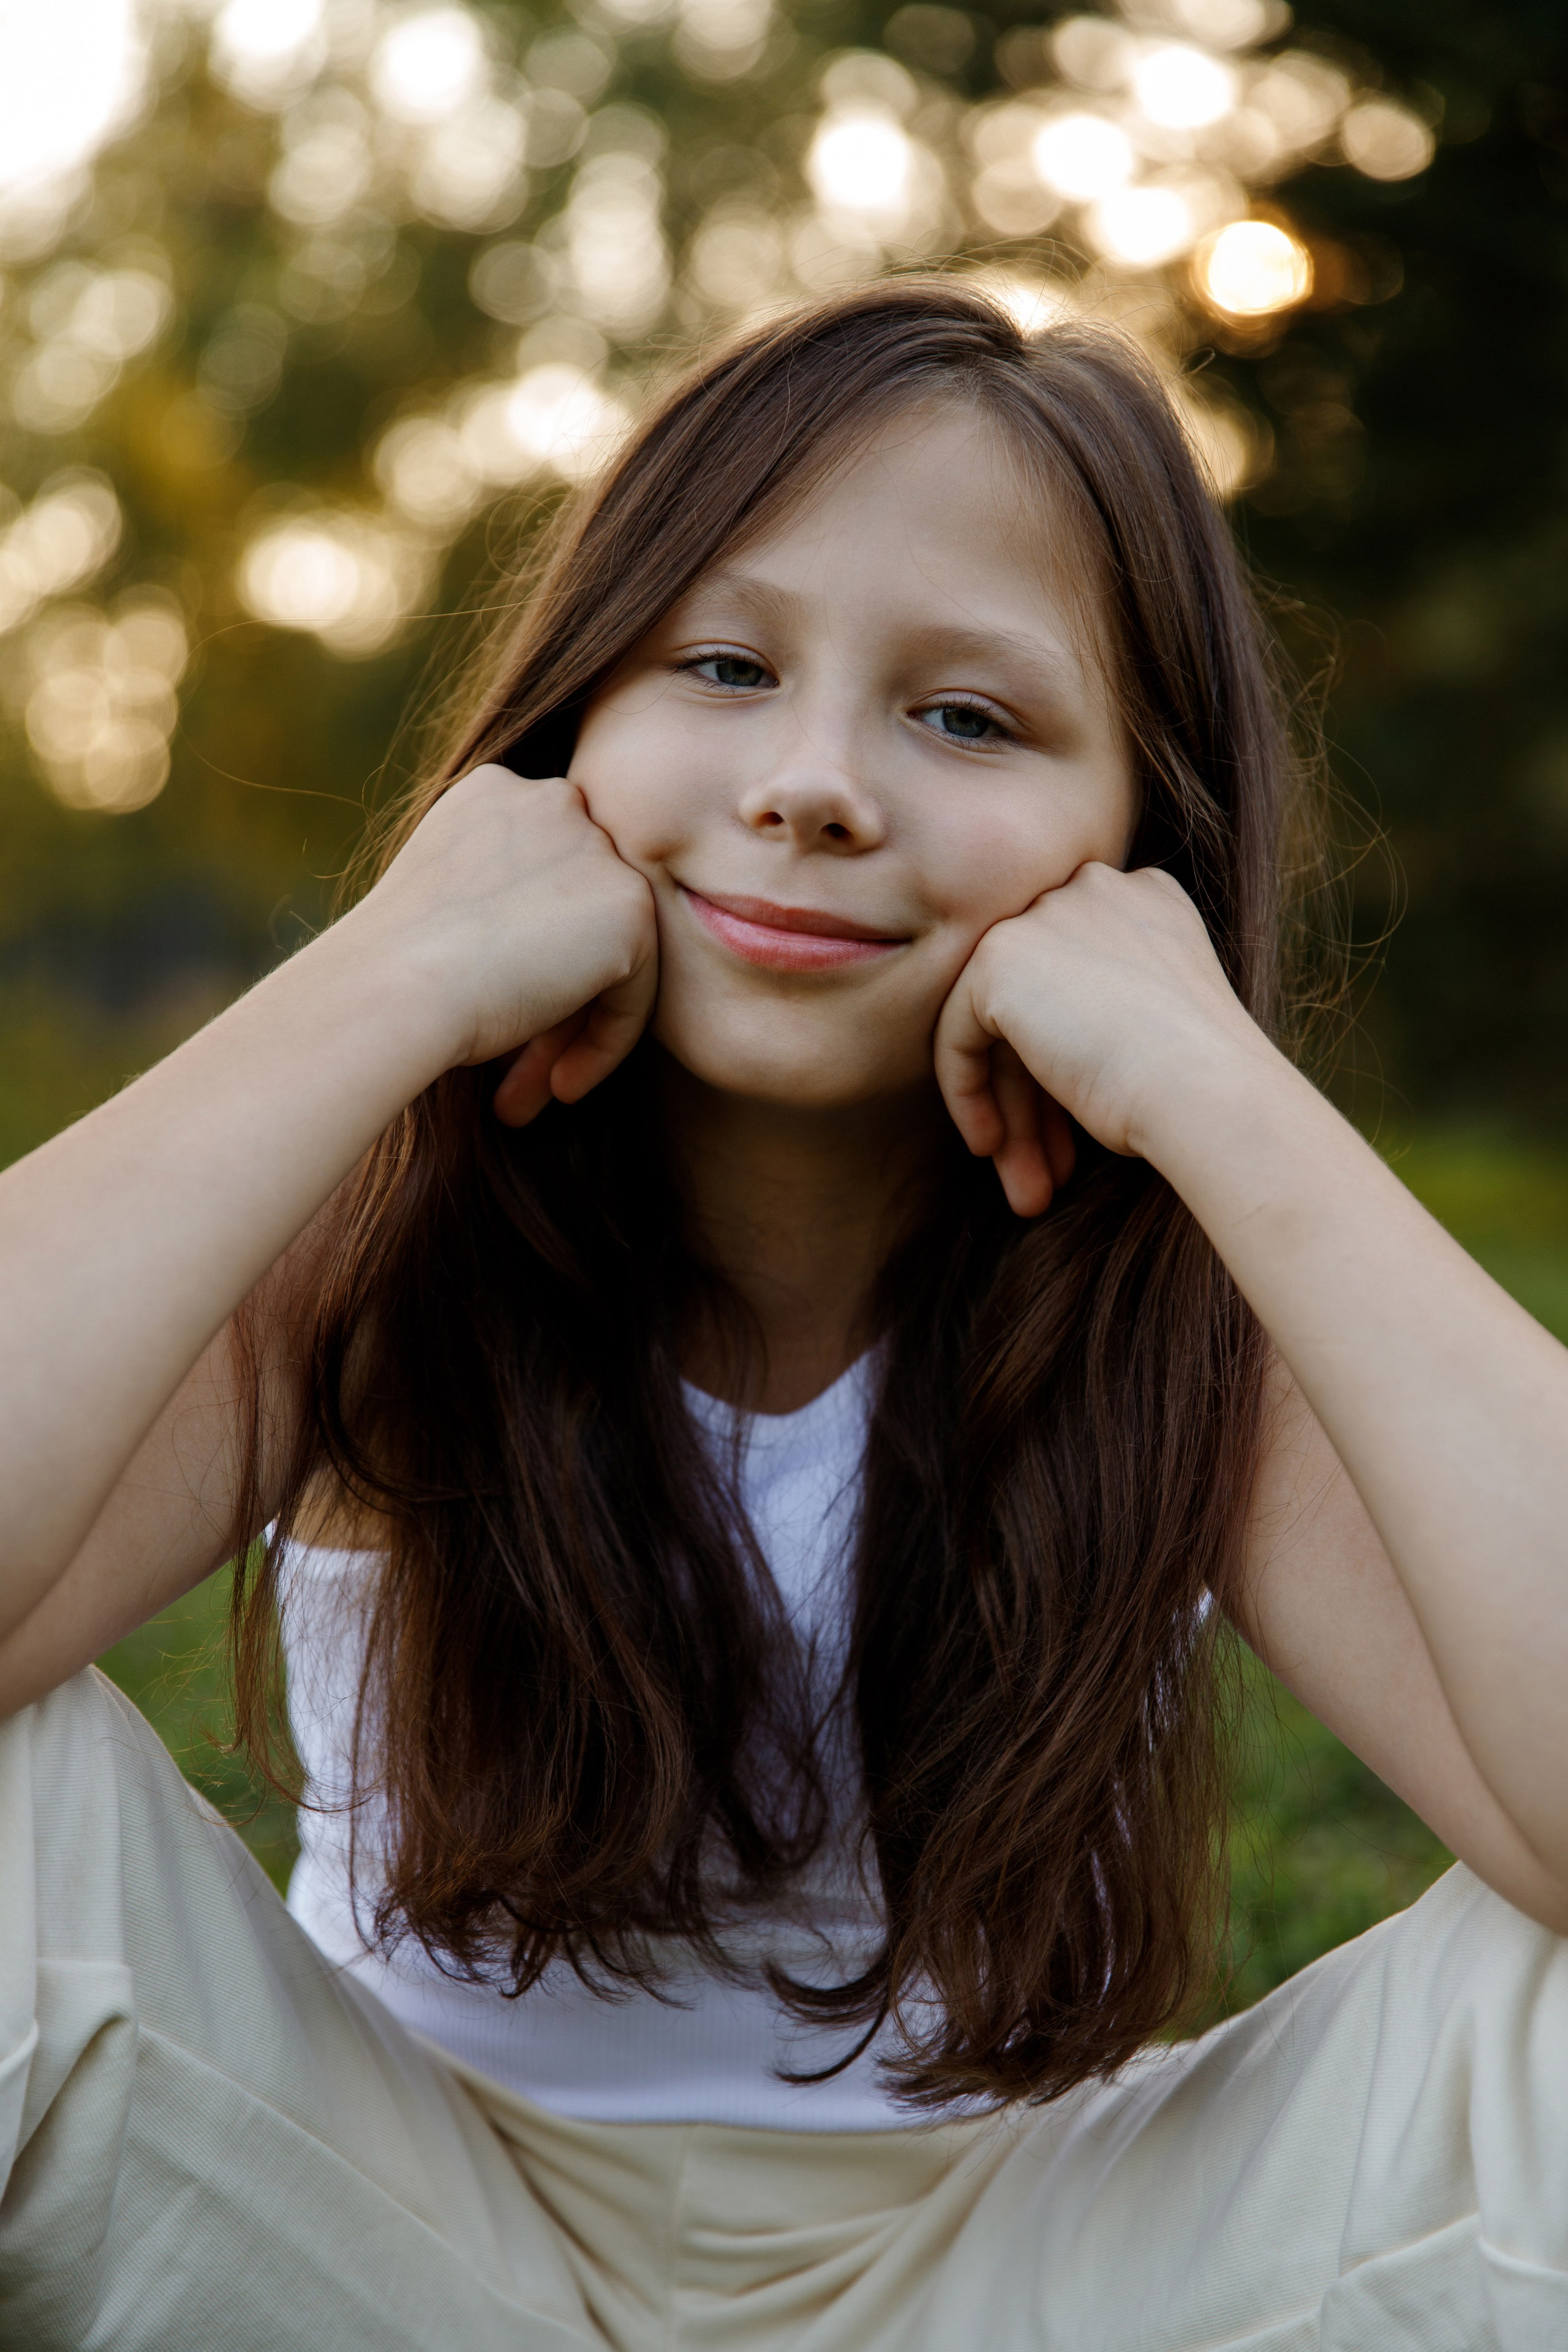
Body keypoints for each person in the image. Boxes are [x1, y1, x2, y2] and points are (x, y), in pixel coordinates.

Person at [1, 281, 1566, 2352]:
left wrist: (1221, 1098)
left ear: (1135, 845)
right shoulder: (379, 1230)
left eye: (969, 718)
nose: (816, 784)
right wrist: (388, 980)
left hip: (1015, 2283)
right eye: (724, 666)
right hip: (378, 2240)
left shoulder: (1184, 1325)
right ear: (574, 726)